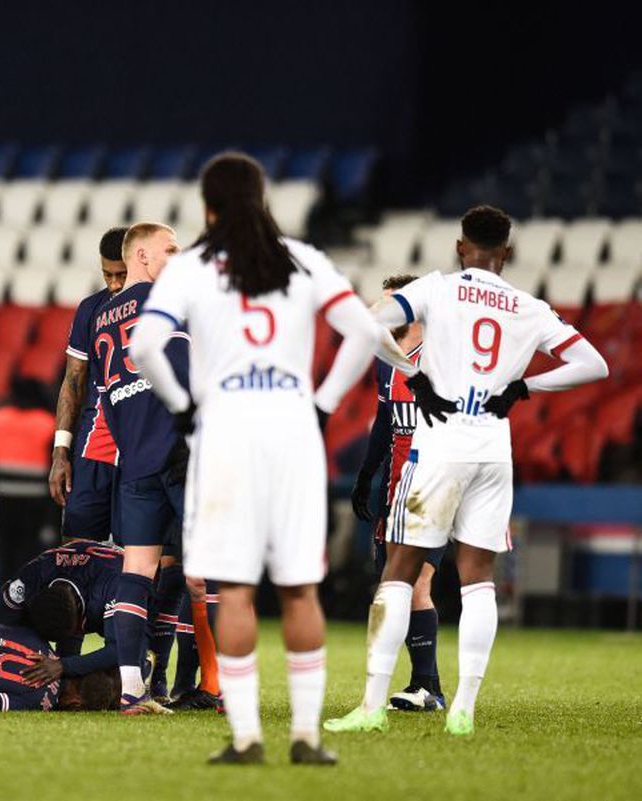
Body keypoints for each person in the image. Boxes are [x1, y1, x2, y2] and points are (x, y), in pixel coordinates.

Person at [132, 152, 388, 764]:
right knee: (301, 591)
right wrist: (323, 406)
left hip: (224, 433)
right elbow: (364, 332)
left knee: (236, 591)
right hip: (292, 433)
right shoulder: (303, 259)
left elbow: (145, 346)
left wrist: (184, 408)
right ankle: (305, 737)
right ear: (263, 198)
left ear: (209, 207)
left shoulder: (192, 267)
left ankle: (246, 737)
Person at [326, 205, 609, 737]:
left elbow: (365, 322)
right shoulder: (530, 306)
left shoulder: (436, 288)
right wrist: (525, 387)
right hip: (493, 452)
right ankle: (464, 707)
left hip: (439, 448)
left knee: (399, 572)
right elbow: (595, 364)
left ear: (461, 247)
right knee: (479, 581)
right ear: (508, 252)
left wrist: (414, 371)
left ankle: (370, 706)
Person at [84, 221, 184, 715]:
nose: (178, 257)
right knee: (217, 571)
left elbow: (103, 396)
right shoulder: (168, 302)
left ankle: (131, 689)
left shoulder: (102, 314)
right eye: (170, 249)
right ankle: (226, 688)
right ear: (142, 255)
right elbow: (186, 369)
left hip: (136, 459)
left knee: (136, 569)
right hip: (180, 449)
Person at [351, 273, 446, 712]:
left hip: (434, 483)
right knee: (395, 584)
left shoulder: (443, 357)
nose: (383, 313)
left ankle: (428, 686)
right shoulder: (386, 358)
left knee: (414, 580)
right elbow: (385, 421)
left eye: (393, 304)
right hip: (395, 485)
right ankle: (423, 685)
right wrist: (367, 475)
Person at [48, 226, 127, 541]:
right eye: (107, 275)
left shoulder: (162, 307)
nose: (114, 284)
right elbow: (73, 381)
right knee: (76, 552)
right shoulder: (91, 309)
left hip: (142, 449)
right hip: (96, 445)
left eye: (121, 274)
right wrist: (60, 451)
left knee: (148, 559)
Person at [0, 539, 123, 682]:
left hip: (130, 584)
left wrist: (63, 665)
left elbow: (120, 650)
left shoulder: (113, 587)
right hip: (86, 583)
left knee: (120, 677)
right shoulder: (29, 579)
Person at [0, 377, 58, 574]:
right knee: (27, 554)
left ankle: (1, 598)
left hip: (2, 498)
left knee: (3, 553)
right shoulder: (47, 422)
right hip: (35, 502)